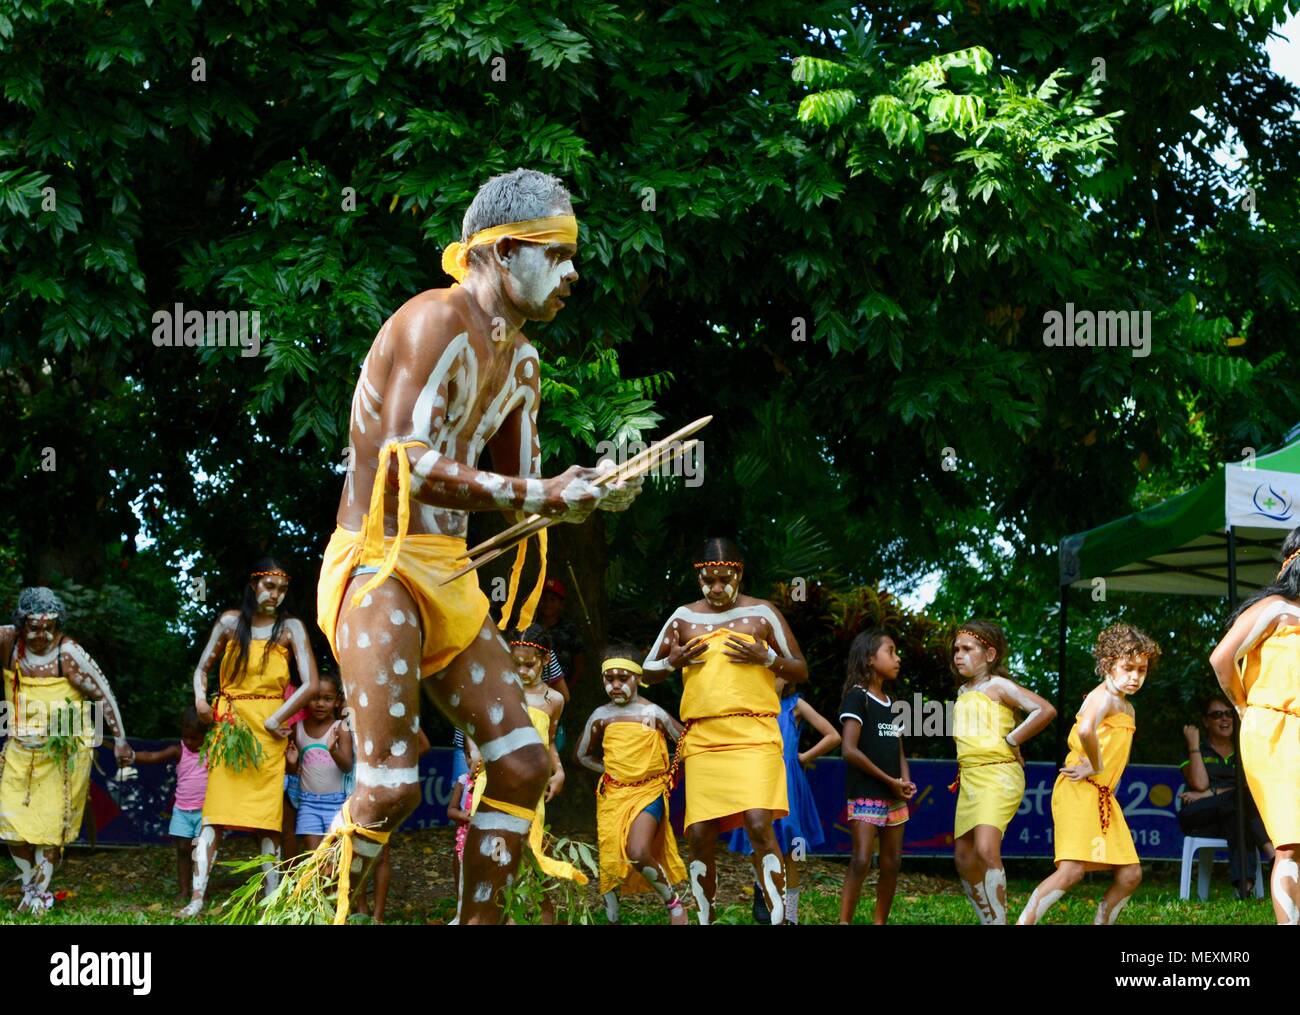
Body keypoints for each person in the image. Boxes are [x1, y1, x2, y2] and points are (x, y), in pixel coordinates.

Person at [314, 167, 641, 923]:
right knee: (392, 784)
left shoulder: (521, 360)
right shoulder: (433, 320)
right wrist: (544, 493)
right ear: (498, 251)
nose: (571, 275)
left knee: (525, 765)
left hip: (449, 575)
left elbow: (520, 497)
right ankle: (315, 910)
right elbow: (408, 463)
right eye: (555, 255)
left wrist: (588, 493)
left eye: (572, 257)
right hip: (379, 564)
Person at [641, 537, 808, 925]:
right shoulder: (683, 617)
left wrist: (766, 657)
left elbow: (799, 668)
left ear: (739, 573)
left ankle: (778, 919)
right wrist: (672, 660)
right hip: (703, 737)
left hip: (754, 733)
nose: (716, 588)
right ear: (698, 577)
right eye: (709, 581)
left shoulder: (762, 614)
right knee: (698, 833)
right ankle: (706, 919)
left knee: (757, 822)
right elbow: (646, 671)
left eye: (725, 579)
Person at [181, 558, 320, 918]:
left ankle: (270, 900)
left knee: (267, 819)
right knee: (214, 815)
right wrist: (200, 700)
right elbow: (201, 669)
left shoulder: (290, 628)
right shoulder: (230, 623)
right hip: (230, 729)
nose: (276, 594)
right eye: (270, 586)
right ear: (253, 585)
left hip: (269, 730)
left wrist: (277, 719)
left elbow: (311, 684)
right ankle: (197, 899)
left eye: (283, 589)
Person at [0, 587, 133, 915]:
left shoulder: (69, 653)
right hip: (19, 751)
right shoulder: (8, 646)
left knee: (48, 830)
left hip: (63, 754)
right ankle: (31, 885)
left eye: (50, 626)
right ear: (20, 623)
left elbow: (103, 693)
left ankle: (38, 896)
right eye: (33, 626)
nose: (42, 634)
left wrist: (120, 739)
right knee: (10, 825)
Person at [1017, 623, 1159, 926]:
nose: (1135, 676)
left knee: (1131, 873)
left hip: (1102, 796)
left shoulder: (1127, 707)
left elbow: (1119, 754)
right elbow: (1085, 729)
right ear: (1109, 664)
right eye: (1128, 668)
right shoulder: (1102, 697)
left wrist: (1109, 782)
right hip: (1079, 788)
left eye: (1142, 670)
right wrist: (1095, 766)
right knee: (1071, 871)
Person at [1209, 526, 1300, 924]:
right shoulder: (1276, 608)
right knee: (1290, 843)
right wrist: (1243, 706)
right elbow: (1221, 659)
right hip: (1273, 731)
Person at [949, 620, 1055, 925]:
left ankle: (999, 921)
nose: (959, 655)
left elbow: (1044, 710)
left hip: (999, 774)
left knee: (985, 848)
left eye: (968, 649)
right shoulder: (962, 691)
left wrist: (1012, 739)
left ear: (990, 654)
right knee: (964, 857)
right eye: (956, 649)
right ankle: (990, 920)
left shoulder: (997, 686)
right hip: (970, 779)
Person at [576, 646, 688, 926]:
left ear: (638, 678)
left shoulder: (653, 713)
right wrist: (610, 772)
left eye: (622, 678)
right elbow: (581, 755)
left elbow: (685, 743)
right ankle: (613, 917)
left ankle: (674, 903)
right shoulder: (601, 716)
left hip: (648, 791)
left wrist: (666, 769)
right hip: (614, 795)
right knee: (611, 855)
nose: (615, 685)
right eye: (609, 679)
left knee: (637, 851)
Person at [727, 675, 840, 925]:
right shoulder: (750, 705)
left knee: (791, 852)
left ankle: (791, 917)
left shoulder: (794, 705)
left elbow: (833, 735)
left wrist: (802, 757)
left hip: (788, 787)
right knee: (756, 845)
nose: (772, 678)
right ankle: (761, 888)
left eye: (777, 674)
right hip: (756, 781)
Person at [837, 630, 914, 925]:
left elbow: (900, 752)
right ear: (870, 659)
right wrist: (888, 780)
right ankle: (845, 921)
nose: (897, 659)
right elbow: (848, 750)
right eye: (891, 652)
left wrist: (903, 781)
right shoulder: (857, 698)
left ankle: (879, 921)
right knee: (861, 859)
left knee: (892, 862)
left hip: (895, 797)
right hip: (865, 793)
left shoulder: (894, 704)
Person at [1177, 694, 1274, 893]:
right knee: (1240, 801)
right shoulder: (1196, 749)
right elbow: (1200, 783)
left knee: (1238, 814)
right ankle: (1273, 856)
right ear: (1205, 721)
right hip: (1199, 815)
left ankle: (1244, 885)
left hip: (1232, 813)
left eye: (1229, 714)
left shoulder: (1243, 749)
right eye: (1217, 715)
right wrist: (1194, 746)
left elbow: (1249, 788)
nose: (1225, 719)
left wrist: (1209, 793)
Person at [128, 707, 209, 901]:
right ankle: (183, 890)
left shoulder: (213, 752)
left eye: (195, 738)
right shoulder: (178, 750)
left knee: (201, 852)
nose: (189, 742)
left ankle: (201, 891)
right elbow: (152, 756)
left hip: (205, 811)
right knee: (182, 850)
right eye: (186, 737)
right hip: (181, 811)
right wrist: (131, 757)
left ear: (206, 735)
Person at [285, 671, 353, 851]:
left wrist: (333, 751)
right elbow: (293, 772)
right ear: (305, 698)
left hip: (337, 803)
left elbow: (347, 766)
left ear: (337, 701)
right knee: (313, 858)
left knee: (334, 857)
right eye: (314, 698)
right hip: (308, 804)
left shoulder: (341, 729)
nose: (320, 704)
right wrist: (291, 764)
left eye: (327, 699)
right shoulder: (296, 729)